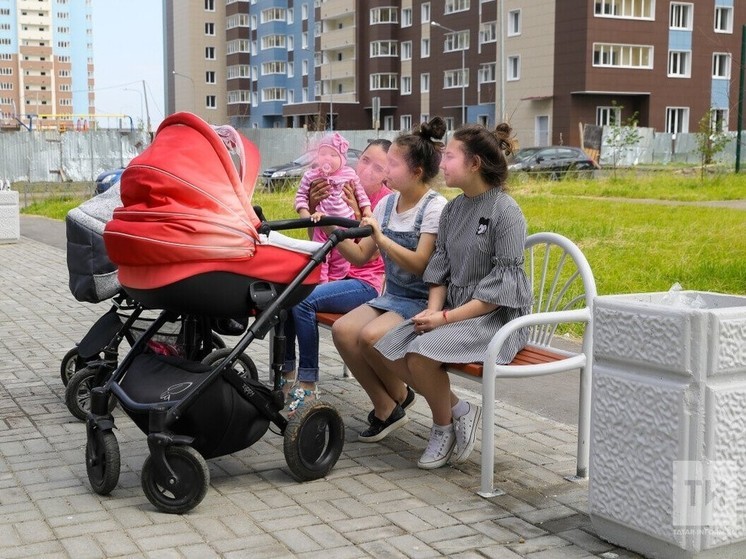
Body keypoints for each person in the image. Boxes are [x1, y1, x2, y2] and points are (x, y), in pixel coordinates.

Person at [372, 123, 533, 469]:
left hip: (496, 319)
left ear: (474, 164)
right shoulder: (453, 210)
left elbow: (498, 294)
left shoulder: (506, 212)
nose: (442, 164)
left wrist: (442, 318)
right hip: (456, 312)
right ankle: (460, 410)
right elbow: (439, 271)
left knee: (419, 354)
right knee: (388, 345)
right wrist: (432, 313)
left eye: (450, 156)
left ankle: (442, 426)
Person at [331, 117, 449, 442]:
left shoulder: (435, 208)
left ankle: (399, 396)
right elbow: (360, 255)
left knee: (370, 335)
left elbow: (421, 264)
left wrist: (382, 239)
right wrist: (332, 230)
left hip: (423, 301)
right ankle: (387, 405)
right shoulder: (386, 203)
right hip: (392, 297)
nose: (386, 172)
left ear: (417, 172)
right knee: (343, 331)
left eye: (393, 165)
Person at [281, 139, 393, 414]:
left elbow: (365, 256)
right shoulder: (333, 183)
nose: (367, 170)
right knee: (285, 294)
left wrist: (347, 217)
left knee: (302, 301)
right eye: (364, 160)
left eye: (378, 167)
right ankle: (286, 374)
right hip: (334, 276)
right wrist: (313, 211)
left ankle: (308, 382)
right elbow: (318, 240)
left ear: (388, 174)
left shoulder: (384, 204)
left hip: (365, 283)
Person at [294, 132, 372, 283]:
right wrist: (306, 216)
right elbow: (300, 197)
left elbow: (360, 193)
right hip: (321, 223)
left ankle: (335, 282)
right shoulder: (311, 176)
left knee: (341, 259)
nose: (327, 158)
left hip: (344, 224)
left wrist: (366, 208)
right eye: (323, 154)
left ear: (342, 159)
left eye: (333, 155)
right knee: (320, 254)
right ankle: (321, 284)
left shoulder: (349, 174)